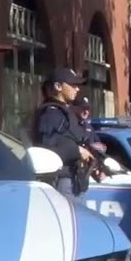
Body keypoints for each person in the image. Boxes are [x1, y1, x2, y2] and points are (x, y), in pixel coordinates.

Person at [31, 67, 99, 195]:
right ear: (58, 86)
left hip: (75, 180)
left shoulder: (66, 113)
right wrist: (77, 151)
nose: (77, 89)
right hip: (61, 181)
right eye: (73, 85)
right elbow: (45, 151)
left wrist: (94, 166)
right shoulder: (50, 114)